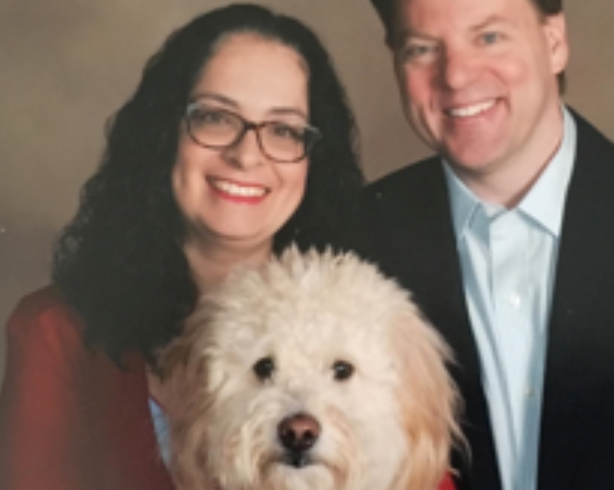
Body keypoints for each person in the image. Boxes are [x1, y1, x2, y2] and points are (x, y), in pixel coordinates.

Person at [344, 0, 614, 489]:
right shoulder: (352, 242)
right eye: (423, 49)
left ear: (554, 42)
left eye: (488, 37)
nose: (457, 76)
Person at [0, 4, 363, 489]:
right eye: (215, 117)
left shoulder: (363, 331)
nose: (246, 155)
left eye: (283, 130)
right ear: (165, 133)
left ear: (313, 160)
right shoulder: (54, 332)